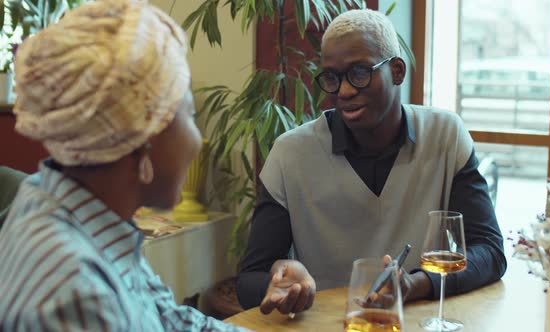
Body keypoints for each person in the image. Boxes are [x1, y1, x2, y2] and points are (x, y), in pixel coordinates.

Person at [236, 9, 507, 314]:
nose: (345, 91)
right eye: (332, 78)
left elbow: (490, 252)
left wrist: (415, 285)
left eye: (360, 73)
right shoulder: (290, 155)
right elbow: (248, 280)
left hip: (413, 321)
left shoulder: (445, 136)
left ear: (397, 71)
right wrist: (280, 284)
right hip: (328, 325)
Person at [0, 1, 249, 331]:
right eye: (190, 117)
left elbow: (171, 319)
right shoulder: (76, 296)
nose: (196, 141)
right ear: (143, 140)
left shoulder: (68, 205)